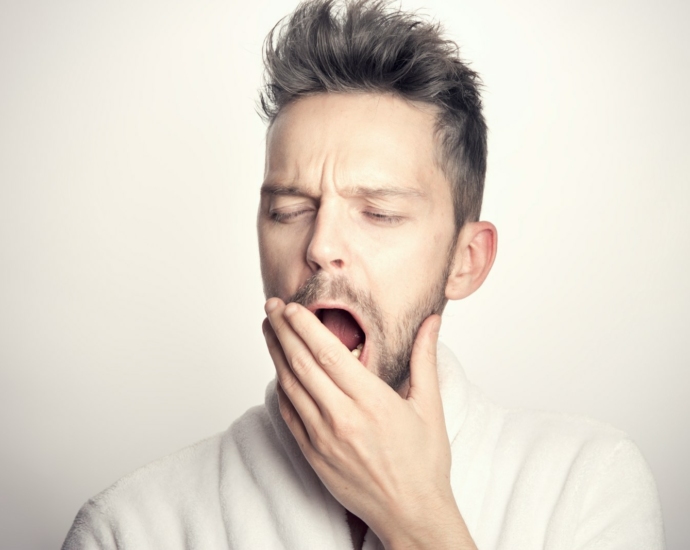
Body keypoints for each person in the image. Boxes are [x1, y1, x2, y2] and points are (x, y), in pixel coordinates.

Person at [62, 1, 665, 548]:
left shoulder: (587, 485)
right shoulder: (130, 526)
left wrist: (414, 515)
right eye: (289, 211)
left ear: (466, 261)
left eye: (378, 212)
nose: (321, 245)